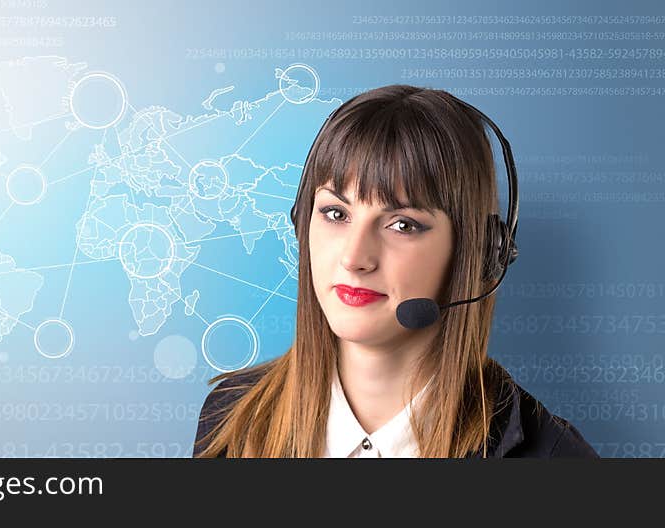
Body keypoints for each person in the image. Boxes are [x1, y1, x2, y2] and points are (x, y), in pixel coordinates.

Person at [192, 84, 598, 458]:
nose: (355, 257)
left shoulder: (552, 455)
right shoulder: (231, 418)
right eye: (336, 213)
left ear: (476, 251)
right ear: (303, 223)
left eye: (402, 224)